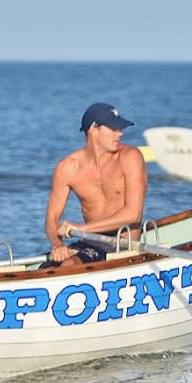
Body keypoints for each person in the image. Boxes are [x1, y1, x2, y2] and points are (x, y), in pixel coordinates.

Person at [44, 102, 148, 267]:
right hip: (90, 242)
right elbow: (51, 219)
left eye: (120, 128)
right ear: (93, 130)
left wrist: (83, 228)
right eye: (114, 129)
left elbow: (133, 214)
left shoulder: (130, 157)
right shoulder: (67, 168)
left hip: (122, 243)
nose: (120, 133)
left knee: (69, 264)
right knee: (47, 268)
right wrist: (58, 246)